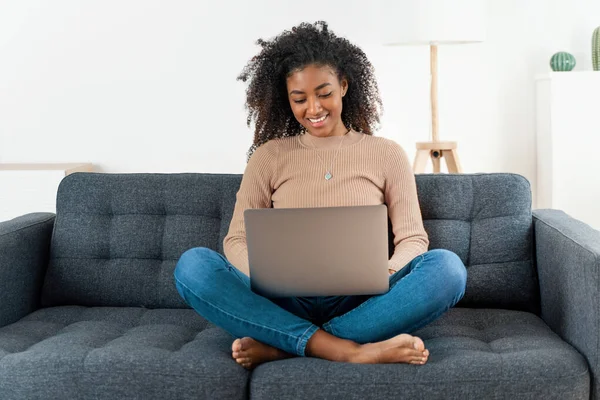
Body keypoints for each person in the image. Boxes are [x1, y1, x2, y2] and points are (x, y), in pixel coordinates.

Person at [173, 21, 467, 370]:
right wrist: (264, 276)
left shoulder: (386, 153)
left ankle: (287, 343)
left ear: (343, 86)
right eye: (300, 99)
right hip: (283, 298)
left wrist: (385, 272)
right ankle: (347, 349)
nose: (313, 108)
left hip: (362, 298)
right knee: (192, 266)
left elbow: (413, 239)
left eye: (324, 93)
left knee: (447, 268)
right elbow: (236, 239)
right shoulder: (269, 156)